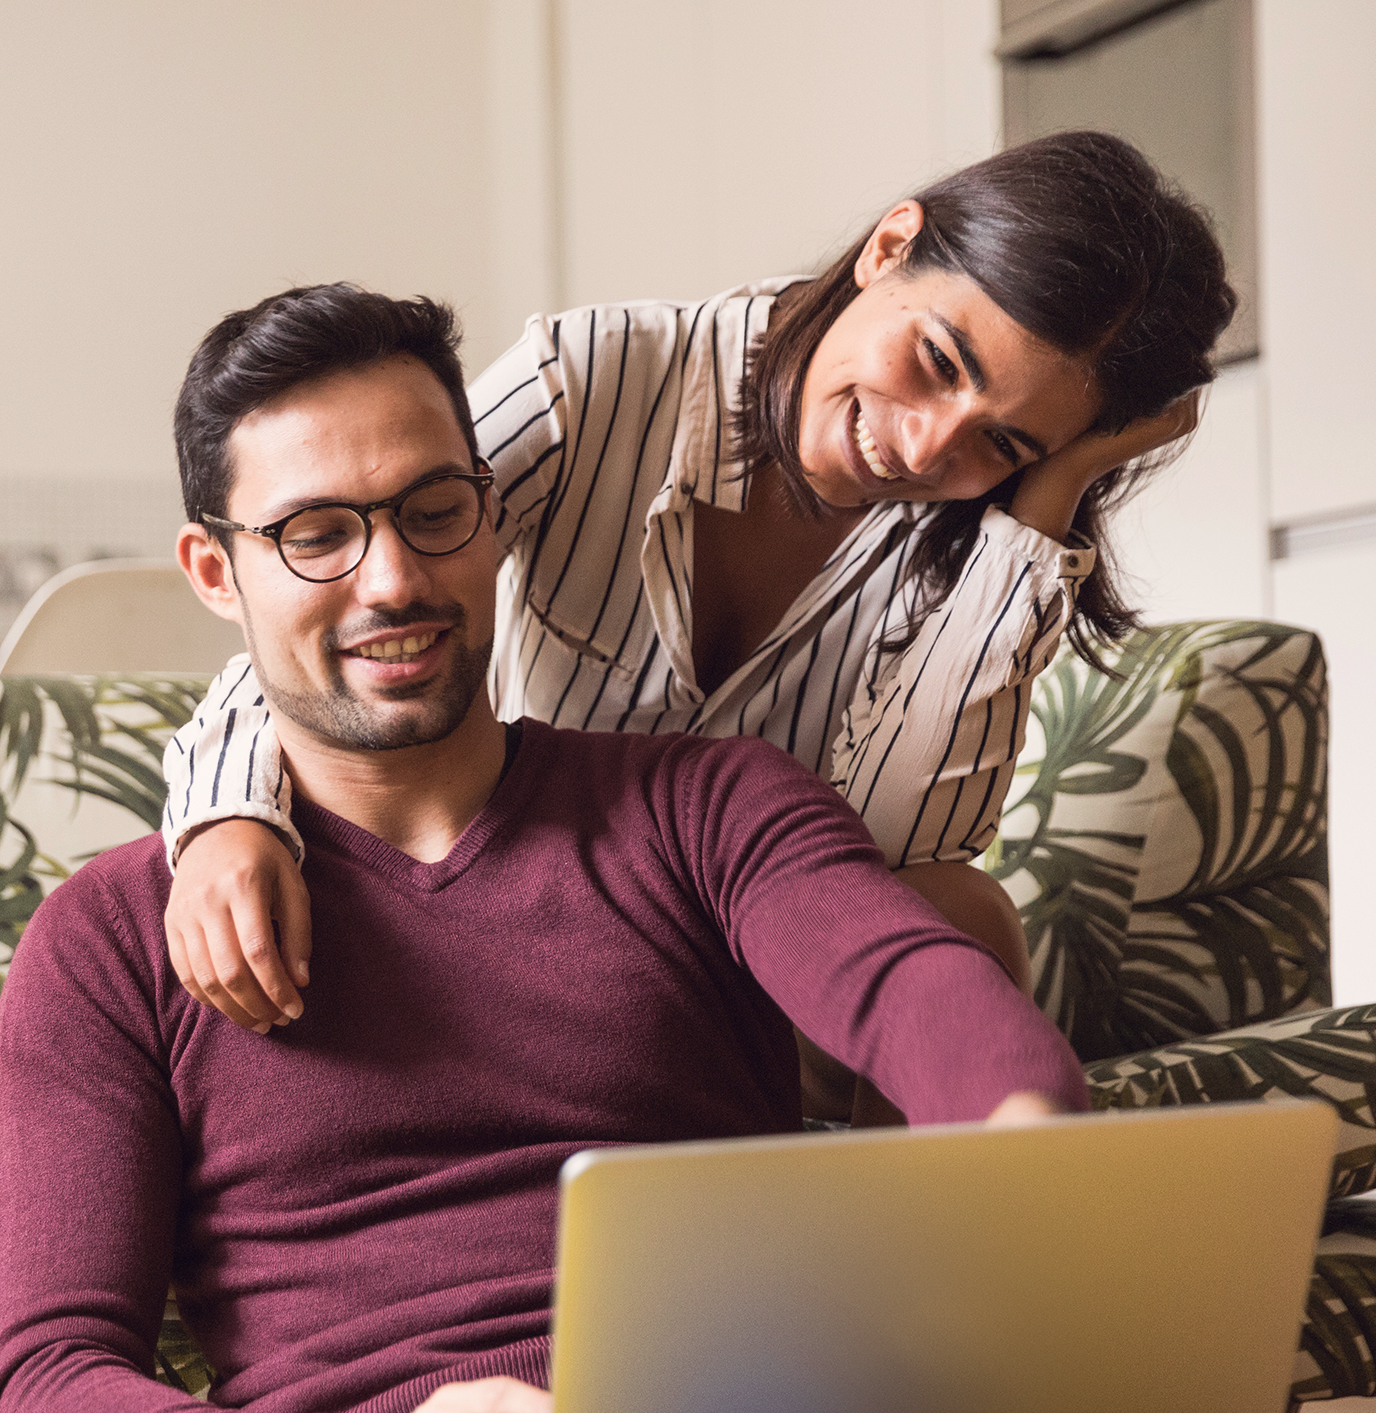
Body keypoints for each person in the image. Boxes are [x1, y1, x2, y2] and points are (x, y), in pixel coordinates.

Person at [0, 286, 1088, 1413]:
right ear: (216, 572)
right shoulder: (109, 939)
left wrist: (1024, 1142)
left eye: (433, 512)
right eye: (316, 535)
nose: (393, 580)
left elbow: (914, 992)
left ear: (492, 511)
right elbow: (48, 1378)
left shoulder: (707, 811)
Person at [154, 131, 1235, 1122]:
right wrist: (225, 821)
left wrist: (1045, 496)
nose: (918, 447)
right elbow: (354, 578)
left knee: (957, 911)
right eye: (937, 362)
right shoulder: (596, 382)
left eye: (1002, 441)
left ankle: (905, 1282)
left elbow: (899, 855)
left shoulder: (964, 529)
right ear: (888, 246)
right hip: (525, 912)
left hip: (764, 952)